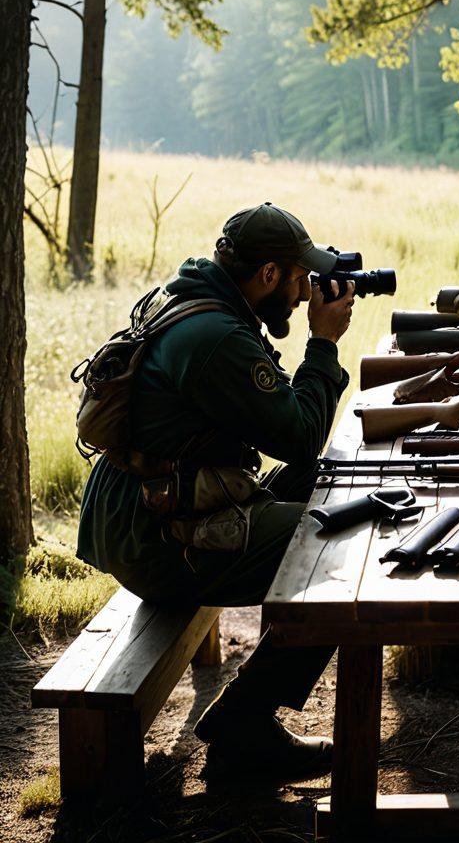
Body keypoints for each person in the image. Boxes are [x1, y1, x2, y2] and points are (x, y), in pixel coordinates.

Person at [76, 202, 355, 776]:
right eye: (300, 279)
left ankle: (247, 717)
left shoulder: (204, 304)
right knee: (332, 553)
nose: (306, 293)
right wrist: (323, 343)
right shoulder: (214, 338)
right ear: (269, 275)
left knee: (326, 485)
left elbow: (289, 435)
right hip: (155, 536)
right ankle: (244, 728)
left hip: (149, 507)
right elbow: (298, 434)